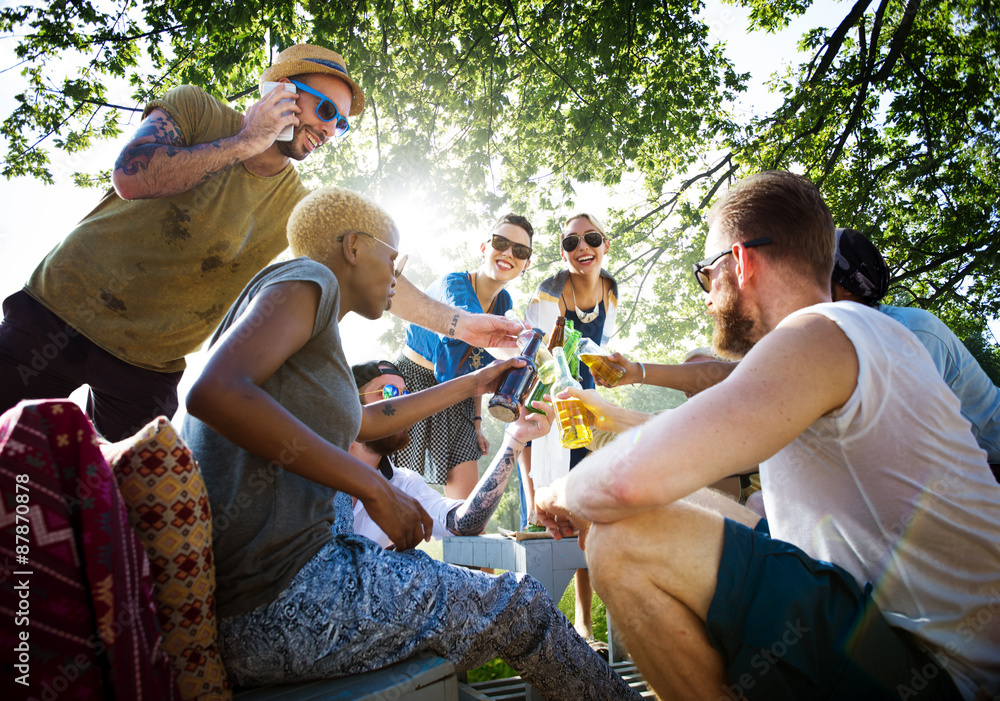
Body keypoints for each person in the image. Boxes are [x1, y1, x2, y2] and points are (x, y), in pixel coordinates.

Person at [535, 171, 1000, 700]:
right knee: (655, 513)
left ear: (741, 262)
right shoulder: (853, 340)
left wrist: (563, 492)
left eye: (706, 275)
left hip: (940, 675)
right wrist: (608, 417)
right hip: (877, 629)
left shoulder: (821, 334)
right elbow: (701, 443)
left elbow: (622, 484)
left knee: (622, 540)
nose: (708, 297)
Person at [179, 186, 638, 699]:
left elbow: (369, 421)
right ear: (354, 247)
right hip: (287, 602)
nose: (397, 277)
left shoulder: (304, 335)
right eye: (392, 259)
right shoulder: (307, 278)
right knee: (523, 605)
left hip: (292, 594)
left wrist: (475, 383)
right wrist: (375, 491)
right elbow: (213, 391)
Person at [0, 43, 521, 441]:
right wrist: (246, 141)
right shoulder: (198, 112)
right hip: (57, 315)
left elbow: (370, 271)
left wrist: (463, 325)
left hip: (149, 365)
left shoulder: (300, 205)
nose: (331, 129)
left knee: (124, 510)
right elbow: (134, 175)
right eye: (325, 110)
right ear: (282, 91)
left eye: (341, 124)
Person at [518, 211, 619, 647]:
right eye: (572, 242)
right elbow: (535, 352)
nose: (583, 248)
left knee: (588, 507)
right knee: (555, 503)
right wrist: (562, 393)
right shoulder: (550, 290)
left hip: (587, 392)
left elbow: (602, 346)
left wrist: (602, 378)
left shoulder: (610, 289)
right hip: (548, 390)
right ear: (563, 252)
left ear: (605, 245)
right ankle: (538, 628)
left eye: (591, 238)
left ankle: (585, 625)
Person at [830, 227, 1000, 479]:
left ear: (848, 287)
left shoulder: (911, 332)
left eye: (811, 272)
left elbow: (906, 448)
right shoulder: (850, 341)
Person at [392, 214, 534, 499]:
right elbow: (472, 329)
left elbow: (480, 366)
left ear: (525, 264)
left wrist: (478, 424)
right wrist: (531, 357)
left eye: (520, 251)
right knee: (398, 492)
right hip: (412, 382)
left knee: (466, 506)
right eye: (501, 243)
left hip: (460, 392)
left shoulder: (504, 303)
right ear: (484, 248)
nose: (508, 253)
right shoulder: (454, 286)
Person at [349, 359, 553, 547]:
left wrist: (515, 439)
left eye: (405, 395)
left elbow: (464, 522)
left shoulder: (404, 485)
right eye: (388, 392)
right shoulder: (318, 464)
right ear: (350, 401)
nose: (400, 404)